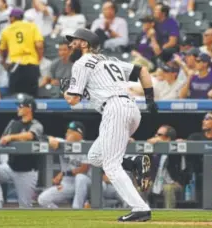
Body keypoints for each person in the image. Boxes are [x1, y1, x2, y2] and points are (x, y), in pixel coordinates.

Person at [62, 28, 158, 222]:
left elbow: (73, 100)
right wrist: (150, 100)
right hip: (131, 109)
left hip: (114, 109)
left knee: (110, 165)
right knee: (95, 157)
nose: (71, 44)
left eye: (74, 41)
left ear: (84, 43)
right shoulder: (109, 61)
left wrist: (65, 91)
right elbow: (143, 71)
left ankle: (140, 209)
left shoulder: (81, 63)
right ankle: (133, 162)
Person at [0, 94, 43, 208]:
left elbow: (29, 135)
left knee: (25, 208)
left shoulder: (36, 125)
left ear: (29, 108)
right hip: (10, 167)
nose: (17, 108)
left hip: (27, 171)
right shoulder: (13, 123)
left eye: (20, 106)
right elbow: (3, 138)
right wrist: (8, 138)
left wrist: (11, 137)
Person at [38, 121, 91, 209]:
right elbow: (41, 137)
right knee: (42, 199)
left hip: (85, 183)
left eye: (70, 132)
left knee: (80, 178)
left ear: (79, 134)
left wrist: (63, 173)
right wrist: (50, 139)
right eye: (67, 131)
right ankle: (62, 217)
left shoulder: (86, 146)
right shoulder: (62, 143)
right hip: (67, 184)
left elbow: (83, 169)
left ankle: (77, 209)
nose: (67, 134)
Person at [0, 8, 43, 97]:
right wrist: (38, 59)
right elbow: (39, 45)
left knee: (15, 96)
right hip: (31, 63)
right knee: (32, 96)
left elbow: (2, 50)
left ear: (12, 18)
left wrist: (4, 62)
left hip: (15, 65)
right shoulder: (32, 26)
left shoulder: (6, 30)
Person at [149, 125, 189, 208]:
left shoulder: (175, 149)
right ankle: (141, 211)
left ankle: (169, 214)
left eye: (159, 135)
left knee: (168, 188)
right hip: (155, 181)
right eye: (156, 134)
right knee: (142, 188)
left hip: (173, 183)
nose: (156, 137)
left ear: (168, 138)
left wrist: (180, 142)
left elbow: (184, 167)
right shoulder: (155, 148)